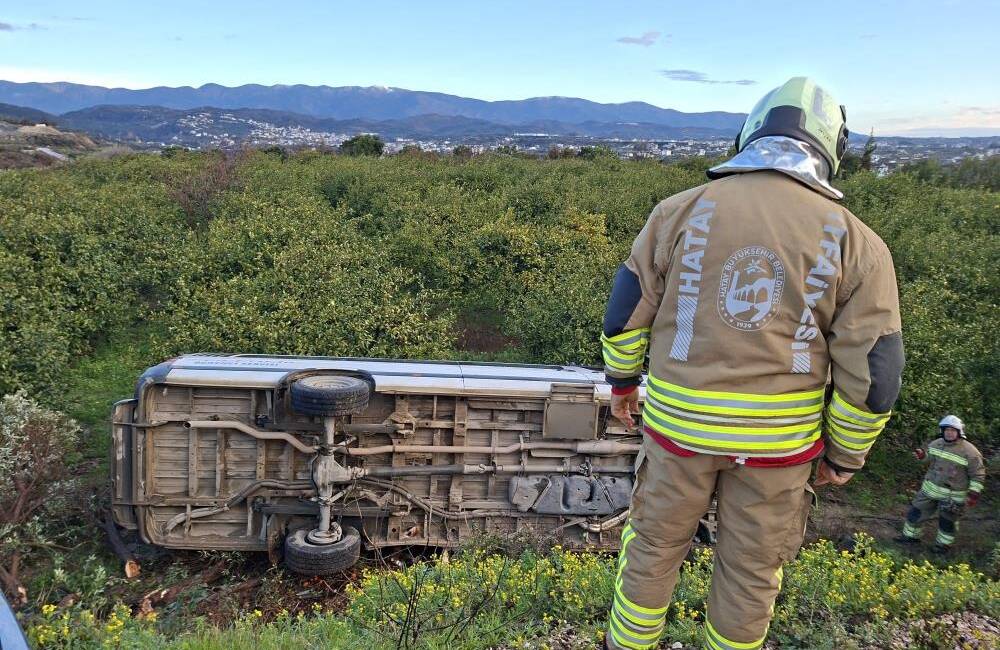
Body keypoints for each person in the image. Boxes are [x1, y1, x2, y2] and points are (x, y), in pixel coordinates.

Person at [600, 77, 905, 650]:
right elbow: (875, 373)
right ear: (831, 149)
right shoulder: (858, 243)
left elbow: (624, 314)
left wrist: (622, 384)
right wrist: (844, 453)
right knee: (750, 574)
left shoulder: (678, 212)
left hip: (677, 436)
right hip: (778, 451)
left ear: (750, 133)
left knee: (652, 551)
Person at [895, 415, 985, 553]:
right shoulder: (937, 443)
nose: (949, 432)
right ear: (942, 431)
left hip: (953, 497)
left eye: (952, 430)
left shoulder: (971, 452)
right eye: (946, 430)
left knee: (947, 523)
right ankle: (910, 537)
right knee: (915, 513)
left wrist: (973, 493)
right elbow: (928, 457)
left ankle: (942, 547)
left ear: (959, 432)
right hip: (929, 490)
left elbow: (978, 474)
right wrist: (922, 456)